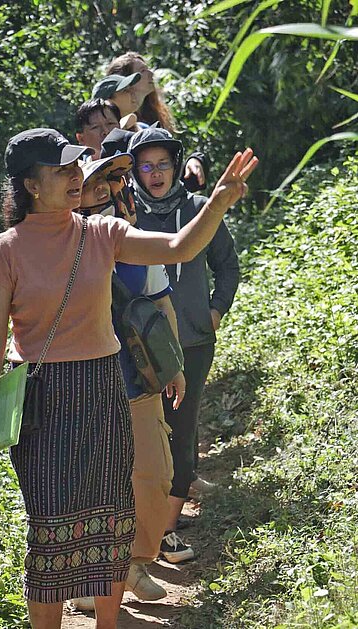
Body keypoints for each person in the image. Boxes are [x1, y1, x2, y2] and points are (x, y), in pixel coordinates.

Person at [0, 127, 257, 629]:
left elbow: (177, 247)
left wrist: (217, 203)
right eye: (61, 170)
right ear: (32, 185)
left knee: (110, 520)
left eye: (74, 166)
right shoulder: (5, 249)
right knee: (49, 530)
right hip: (41, 399)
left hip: (104, 389)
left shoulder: (101, 233)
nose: (75, 176)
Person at [71, 155, 188, 612]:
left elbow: (161, 306)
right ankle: (89, 577)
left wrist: (173, 365)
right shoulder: (59, 243)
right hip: (80, 383)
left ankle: (135, 563)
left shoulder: (133, 239)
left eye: (113, 179)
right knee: (88, 481)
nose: (105, 188)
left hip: (137, 377)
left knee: (155, 474)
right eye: (95, 180)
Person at [128, 126, 241, 553]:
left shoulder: (200, 208)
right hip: (139, 345)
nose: (155, 174)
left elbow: (228, 267)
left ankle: (164, 530)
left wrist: (214, 310)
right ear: (135, 170)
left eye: (163, 165)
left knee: (182, 429)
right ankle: (141, 526)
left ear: (176, 167)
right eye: (146, 165)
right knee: (142, 435)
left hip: (192, 340)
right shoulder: (126, 215)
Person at [106, 52, 208, 191]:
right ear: (126, 83)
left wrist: (195, 160)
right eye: (142, 71)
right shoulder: (104, 126)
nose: (151, 74)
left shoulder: (148, 123)